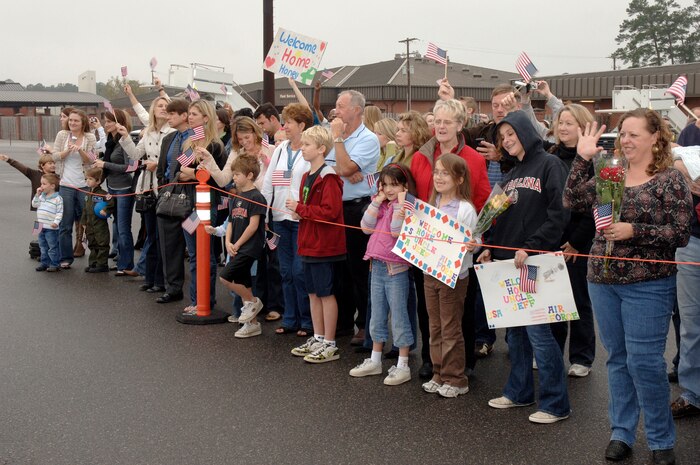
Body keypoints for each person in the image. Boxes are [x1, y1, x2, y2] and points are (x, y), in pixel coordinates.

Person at [564, 109, 692, 464]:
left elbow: (680, 234)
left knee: (646, 363)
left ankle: (660, 440)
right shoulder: (611, 172)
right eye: (624, 135)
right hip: (603, 280)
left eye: (635, 134)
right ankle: (621, 433)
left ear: (655, 137)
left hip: (648, 284)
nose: (627, 141)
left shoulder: (670, 180)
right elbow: (572, 201)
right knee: (617, 360)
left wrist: (635, 231)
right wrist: (581, 158)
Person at [480, 110, 571, 424]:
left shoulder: (550, 164)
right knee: (515, 335)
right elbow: (496, 215)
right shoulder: (510, 173)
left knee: (540, 335)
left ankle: (556, 404)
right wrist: (488, 246)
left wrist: (531, 247)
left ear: (526, 131)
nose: (506, 140)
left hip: (536, 262)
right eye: (502, 137)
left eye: (510, 134)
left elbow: (559, 215)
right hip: (508, 264)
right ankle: (518, 393)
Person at [349, 163, 416, 386]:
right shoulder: (382, 205)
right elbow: (365, 227)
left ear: (405, 186)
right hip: (376, 265)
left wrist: (401, 203)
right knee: (376, 315)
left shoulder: (406, 207)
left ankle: (403, 364)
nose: (389, 190)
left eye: (394, 185)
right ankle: (375, 359)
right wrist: (376, 202)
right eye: (385, 185)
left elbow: (397, 231)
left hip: (396, 269)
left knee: (398, 317)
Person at [545, 104, 597, 378]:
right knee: (553, 300)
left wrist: (577, 241)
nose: (563, 127)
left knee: (578, 300)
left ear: (583, 126)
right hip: (553, 238)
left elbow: (595, 206)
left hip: (578, 240)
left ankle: (581, 356)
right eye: (560, 122)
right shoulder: (550, 155)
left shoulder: (591, 161)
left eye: (569, 123)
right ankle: (553, 352)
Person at [420, 154, 478, 398]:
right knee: (435, 327)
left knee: (450, 327)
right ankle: (438, 372)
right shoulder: (431, 205)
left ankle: (456, 378)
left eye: (445, 173)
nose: (439, 177)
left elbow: (476, 239)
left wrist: (474, 245)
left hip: (454, 276)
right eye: (437, 172)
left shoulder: (465, 209)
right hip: (429, 273)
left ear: (459, 178)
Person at [287, 126, 346, 364]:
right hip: (308, 241)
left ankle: (330, 343)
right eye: (302, 144)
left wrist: (300, 209)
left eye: (307, 145)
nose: (302, 148)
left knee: (325, 292)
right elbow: (310, 210)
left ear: (321, 149)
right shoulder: (305, 176)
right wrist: (300, 213)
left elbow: (331, 212)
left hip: (324, 244)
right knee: (312, 292)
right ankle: (318, 336)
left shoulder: (328, 176)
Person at [327, 90, 380, 344]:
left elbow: (347, 168)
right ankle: (344, 321)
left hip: (357, 208)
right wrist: (344, 169)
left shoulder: (367, 139)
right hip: (335, 208)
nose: (336, 110)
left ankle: (364, 326)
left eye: (341, 106)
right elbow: (323, 167)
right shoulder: (335, 136)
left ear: (357, 110)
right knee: (339, 267)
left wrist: (339, 144)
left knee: (358, 269)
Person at [261, 103, 313, 337]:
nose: (285, 126)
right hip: (280, 216)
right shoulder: (281, 149)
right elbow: (269, 180)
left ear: (302, 125)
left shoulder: (312, 149)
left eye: (289, 122)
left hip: (301, 219)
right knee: (285, 271)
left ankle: (307, 320)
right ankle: (290, 318)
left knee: (299, 271)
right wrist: (264, 211)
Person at [120, 95, 173, 293]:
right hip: (148, 187)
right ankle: (150, 278)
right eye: (159, 105)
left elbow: (174, 161)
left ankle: (161, 281)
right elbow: (135, 155)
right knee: (150, 235)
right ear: (153, 109)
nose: (163, 108)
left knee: (162, 237)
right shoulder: (148, 131)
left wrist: (156, 165)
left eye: (166, 106)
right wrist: (125, 137)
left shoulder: (173, 132)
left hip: (166, 187)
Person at [179, 100, 226, 314]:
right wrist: (192, 172)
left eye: (195, 114)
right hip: (188, 206)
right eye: (189, 113)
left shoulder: (215, 146)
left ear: (206, 118)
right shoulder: (188, 143)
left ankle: (206, 300)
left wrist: (192, 172)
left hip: (207, 207)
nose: (190, 117)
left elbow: (212, 178)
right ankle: (197, 299)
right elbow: (178, 172)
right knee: (194, 254)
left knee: (206, 254)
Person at [670, 108, 700, 420]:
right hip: (693, 240)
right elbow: (676, 163)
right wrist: (685, 176)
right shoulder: (692, 130)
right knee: (692, 322)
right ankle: (693, 392)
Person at [219, 154, 267, 338]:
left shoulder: (257, 197)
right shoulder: (237, 196)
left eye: (237, 174)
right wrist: (227, 242)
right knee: (243, 284)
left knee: (225, 277)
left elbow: (253, 226)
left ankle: (254, 302)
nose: (234, 178)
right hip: (236, 245)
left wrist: (237, 244)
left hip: (249, 248)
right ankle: (252, 324)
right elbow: (230, 221)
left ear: (249, 175)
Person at [412, 99, 490, 210]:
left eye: (447, 122)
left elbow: (482, 202)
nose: (441, 126)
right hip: (422, 224)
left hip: (458, 224)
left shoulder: (475, 159)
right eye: (438, 122)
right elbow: (412, 196)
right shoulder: (419, 157)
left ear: (459, 126)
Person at [48, 109, 96, 269]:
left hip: (83, 184)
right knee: (65, 224)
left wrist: (80, 149)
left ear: (83, 122)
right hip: (66, 185)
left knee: (89, 222)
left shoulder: (89, 137)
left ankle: (95, 257)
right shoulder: (62, 135)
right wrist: (67, 150)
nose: (72, 123)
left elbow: (92, 160)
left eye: (76, 120)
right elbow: (53, 156)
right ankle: (66, 258)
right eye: (71, 120)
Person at [155, 99, 192, 304]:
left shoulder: (197, 138)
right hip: (168, 196)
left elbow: (187, 167)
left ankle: (199, 296)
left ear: (184, 115)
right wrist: (164, 188)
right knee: (168, 245)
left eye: (171, 114)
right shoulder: (169, 138)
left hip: (191, 200)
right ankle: (173, 288)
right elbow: (163, 170)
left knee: (194, 246)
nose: (167, 117)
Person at [92, 108, 137, 277]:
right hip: (112, 187)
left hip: (125, 189)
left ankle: (127, 264)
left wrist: (105, 165)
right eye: (106, 120)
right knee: (117, 225)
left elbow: (130, 167)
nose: (106, 123)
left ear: (120, 122)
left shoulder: (125, 141)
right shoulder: (110, 141)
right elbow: (108, 164)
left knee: (124, 228)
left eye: (110, 121)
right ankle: (120, 258)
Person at [81, 167, 114, 273]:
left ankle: (102, 264)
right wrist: (83, 222)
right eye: (87, 179)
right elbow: (85, 209)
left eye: (90, 179)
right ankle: (93, 263)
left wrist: (105, 210)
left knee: (102, 243)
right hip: (90, 223)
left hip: (99, 224)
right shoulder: (88, 194)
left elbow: (111, 202)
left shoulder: (103, 194)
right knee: (92, 243)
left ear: (98, 181)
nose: (87, 181)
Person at [32, 173, 63, 272]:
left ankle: (54, 264)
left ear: (52, 186)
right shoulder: (41, 196)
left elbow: (59, 212)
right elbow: (34, 205)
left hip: (51, 227)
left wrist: (56, 222)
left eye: (44, 184)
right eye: (41, 184)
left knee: (52, 247)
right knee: (43, 246)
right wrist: (37, 194)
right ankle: (44, 263)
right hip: (40, 225)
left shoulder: (58, 199)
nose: (41, 186)